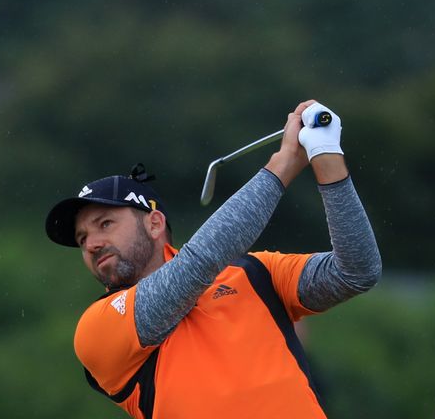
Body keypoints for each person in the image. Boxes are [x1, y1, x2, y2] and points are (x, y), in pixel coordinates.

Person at [45, 100, 382, 419]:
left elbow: (356, 271)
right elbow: (199, 264)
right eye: (82, 238)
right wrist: (281, 166)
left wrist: (326, 156)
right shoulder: (97, 328)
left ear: (154, 223)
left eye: (105, 224)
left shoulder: (255, 273)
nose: (92, 244)